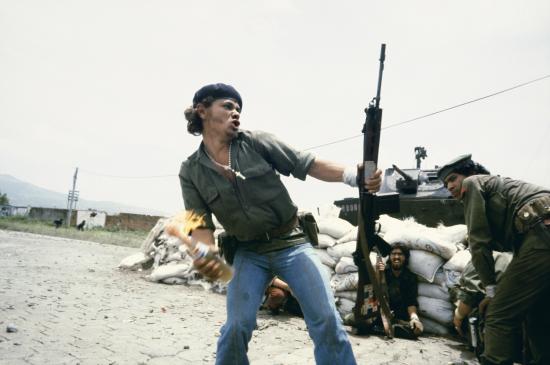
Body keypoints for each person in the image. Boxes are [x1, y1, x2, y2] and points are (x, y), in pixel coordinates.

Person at [178, 83, 382, 365]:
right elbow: (199, 223)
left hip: (291, 244)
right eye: (227, 106)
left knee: (325, 319)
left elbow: (306, 163)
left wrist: (352, 174)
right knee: (236, 327)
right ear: (202, 110)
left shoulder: (256, 142)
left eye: (239, 109)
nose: (236, 113)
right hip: (248, 253)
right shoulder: (190, 171)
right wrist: (207, 259)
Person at [438, 154, 550, 365]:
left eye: (453, 178)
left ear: (470, 173)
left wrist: (491, 291)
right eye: (446, 184)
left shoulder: (473, 183)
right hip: (539, 236)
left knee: (498, 315)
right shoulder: (503, 188)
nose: (450, 187)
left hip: (541, 233)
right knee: (537, 312)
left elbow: (479, 243)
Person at [375, 243, 423, 337]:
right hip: (380, 315)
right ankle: (385, 328)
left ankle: (386, 329)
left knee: (417, 330)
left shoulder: (410, 277)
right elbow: (375, 291)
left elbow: (411, 302)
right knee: (354, 319)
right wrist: (377, 272)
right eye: (393, 254)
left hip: (399, 318)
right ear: (389, 257)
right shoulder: (383, 273)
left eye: (400, 254)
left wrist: (414, 319)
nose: (396, 257)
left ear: (405, 257)